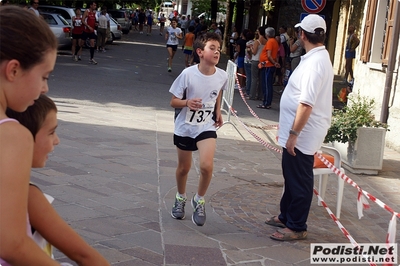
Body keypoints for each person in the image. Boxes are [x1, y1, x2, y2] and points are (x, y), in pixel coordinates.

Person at [6, 95, 111, 266]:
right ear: (23, 136)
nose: (57, 140)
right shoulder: (28, 197)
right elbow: (84, 255)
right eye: (51, 132)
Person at [266, 14, 333, 241]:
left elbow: (306, 103)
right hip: (298, 131)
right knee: (291, 175)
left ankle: (296, 225)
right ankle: (286, 215)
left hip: (303, 133)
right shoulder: (315, 58)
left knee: (299, 179)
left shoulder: (315, 63)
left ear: (302, 34)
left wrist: (294, 134)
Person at [0, 6, 59, 265]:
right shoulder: (12, 135)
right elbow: (12, 244)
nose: (45, 88)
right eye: (44, 76)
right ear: (13, 70)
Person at [169, 32, 228, 226]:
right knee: (184, 168)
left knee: (206, 165)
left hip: (206, 125)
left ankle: (199, 199)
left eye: (219, 49)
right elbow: (173, 102)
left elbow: (217, 91)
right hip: (185, 126)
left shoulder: (223, 75)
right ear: (200, 52)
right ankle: (180, 197)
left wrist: (218, 110)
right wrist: (187, 102)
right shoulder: (188, 74)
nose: (217, 52)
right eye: (212, 48)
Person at [257, 27, 279, 109]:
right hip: (269, 65)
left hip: (268, 65)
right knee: (268, 84)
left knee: (266, 85)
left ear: (267, 34)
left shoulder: (270, 42)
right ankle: (266, 102)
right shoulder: (275, 42)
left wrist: (274, 63)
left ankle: (266, 103)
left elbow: (269, 55)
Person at [249, 26, 266, 100]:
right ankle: (260, 95)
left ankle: (252, 95)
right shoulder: (266, 41)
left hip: (255, 60)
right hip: (262, 61)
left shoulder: (257, 41)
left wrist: (251, 48)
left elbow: (254, 52)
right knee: (261, 79)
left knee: (254, 78)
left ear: (259, 32)